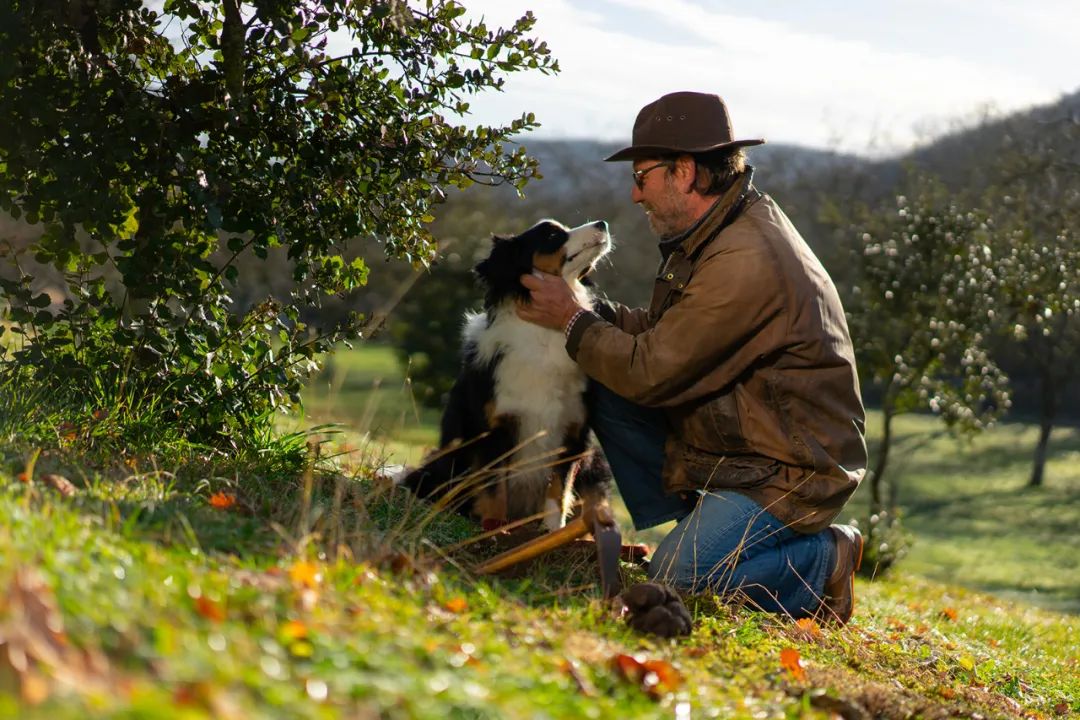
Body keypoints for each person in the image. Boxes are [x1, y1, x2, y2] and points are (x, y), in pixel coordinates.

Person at [516, 91, 868, 624]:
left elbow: (653, 372)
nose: (635, 196)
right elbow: (665, 337)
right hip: (743, 449)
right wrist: (592, 311)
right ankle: (699, 525)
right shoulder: (715, 233)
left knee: (679, 581)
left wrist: (571, 318)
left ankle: (824, 561)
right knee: (597, 365)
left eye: (641, 178)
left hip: (789, 471)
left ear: (683, 172)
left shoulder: (745, 258)